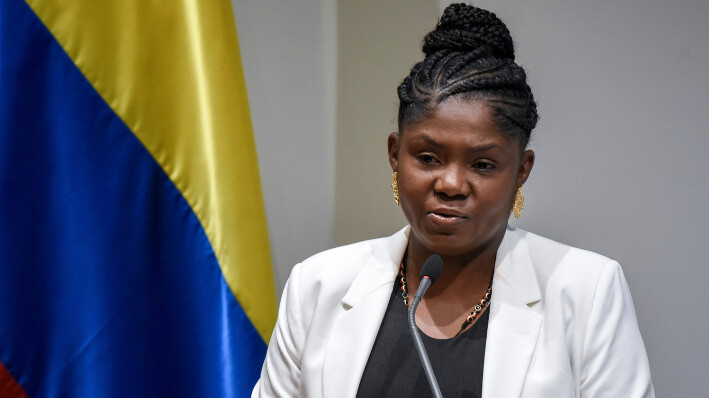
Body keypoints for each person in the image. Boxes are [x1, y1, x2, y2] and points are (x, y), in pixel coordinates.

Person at [252, 3, 654, 397]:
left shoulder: (586, 290)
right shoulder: (318, 286)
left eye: (482, 165)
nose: (450, 184)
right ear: (395, 154)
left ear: (521, 172)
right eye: (428, 158)